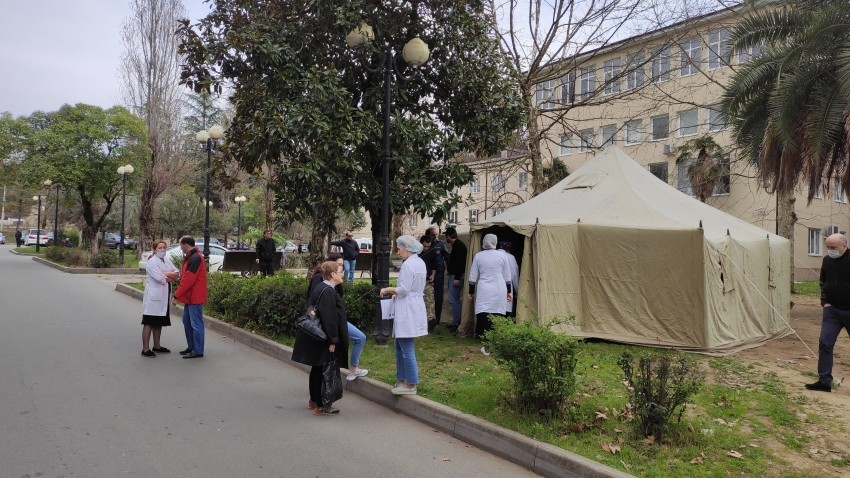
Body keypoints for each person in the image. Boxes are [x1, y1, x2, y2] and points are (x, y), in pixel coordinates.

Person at [292, 261, 350, 415]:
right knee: (325, 370)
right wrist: (333, 340)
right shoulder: (328, 292)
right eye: (340, 271)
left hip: (317, 336)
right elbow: (330, 319)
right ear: (332, 275)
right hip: (324, 338)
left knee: (317, 368)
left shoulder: (321, 287)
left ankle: (313, 401)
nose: (343, 274)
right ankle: (322, 404)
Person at [307, 253, 369, 381]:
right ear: (331, 271)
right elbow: (326, 313)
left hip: (331, 325)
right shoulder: (323, 285)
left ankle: (318, 397)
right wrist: (333, 339)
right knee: (322, 366)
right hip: (326, 326)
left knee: (323, 365)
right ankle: (322, 395)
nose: (342, 271)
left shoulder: (331, 286)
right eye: (340, 267)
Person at [380, 235, 428, 395]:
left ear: (407, 248)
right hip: (412, 304)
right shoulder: (420, 262)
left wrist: (387, 289)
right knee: (400, 346)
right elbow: (410, 288)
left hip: (408, 308)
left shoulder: (408, 265)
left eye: (399, 249)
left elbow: (404, 289)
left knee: (406, 347)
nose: (398, 252)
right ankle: (401, 379)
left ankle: (411, 383)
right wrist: (397, 293)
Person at [806, 233, 850, 392]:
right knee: (825, 343)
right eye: (828, 248)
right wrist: (825, 301)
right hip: (832, 311)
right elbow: (823, 281)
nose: (830, 251)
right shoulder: (827, 260)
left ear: (844, 246)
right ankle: (824, 381)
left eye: (833, 248)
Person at [468, 234, 512, 355]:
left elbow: (472, 277)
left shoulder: (478, 256)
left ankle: (487, 346)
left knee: (484, 315)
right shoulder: (502, 256)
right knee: (497, 315)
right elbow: (507, 276)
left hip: (484, 289)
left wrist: (471, 292)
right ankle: (497, 345)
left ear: (483, 242)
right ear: (495, 242)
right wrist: (509, 292)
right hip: (499, 288)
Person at [141, 240, 180, 357]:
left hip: (164, 294)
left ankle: (157, 346)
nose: (162, 250)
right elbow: (159, 278)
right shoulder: (152, 262)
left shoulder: (166, 260)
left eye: (164, 248)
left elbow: (177, 272)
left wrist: (166, 274)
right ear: (154, 250)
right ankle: (145, 349)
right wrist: (168, 275)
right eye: (159, 248)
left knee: (159, 321)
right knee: (149, 321)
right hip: (154, 295)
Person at [174, 236, 208, 359]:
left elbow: (189, 280)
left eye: (180, 245)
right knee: (187, 321)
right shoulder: (193, 257)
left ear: (185, 245)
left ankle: (198, 350)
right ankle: (192, 347)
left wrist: (176, 295)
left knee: (195, 324)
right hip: (190, 297)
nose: (180, 247)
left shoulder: (195, 258)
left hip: (194, 297)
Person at [444, 226, 467, 334]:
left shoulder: (458, 246)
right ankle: (455, 321)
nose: (446, 238)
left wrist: (457, 277)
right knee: (454, 300)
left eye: (446, 236)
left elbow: (459, 263)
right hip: (454, 275)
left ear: (449, 236)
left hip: (456, 276)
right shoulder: (457, 245)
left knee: (454, 300)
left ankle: (455, 322)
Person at [426, 226, 448, 327]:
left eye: (436, 235)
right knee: (426, 297)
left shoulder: (441, 244)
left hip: (439, 274)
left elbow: (447, 257)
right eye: (433, 235)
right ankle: (427, 318)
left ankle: (437, 319)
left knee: (438, 297)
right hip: (427, 274)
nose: (435, 237)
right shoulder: (425, 244)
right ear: (428, 235)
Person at [418, 235, 438, 331]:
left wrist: (433, 275)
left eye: (428, 246)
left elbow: (434, 266)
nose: (426, 248)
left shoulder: (432, 251)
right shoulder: (416, 253)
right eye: (424, 246)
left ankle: (431, 320)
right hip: (418, 281)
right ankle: (420, 321)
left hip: (428, 280)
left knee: (430, 300)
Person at [497, 241, 519, 317]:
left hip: (490, 286)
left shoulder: (491, 254)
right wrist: (517, 290)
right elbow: (514, 275)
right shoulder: (510, 257)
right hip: (506, 286)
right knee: (504, 310)